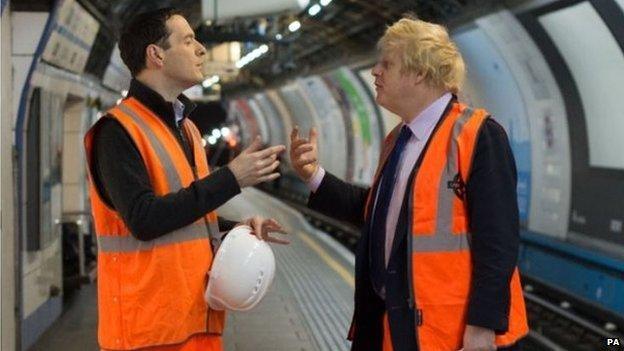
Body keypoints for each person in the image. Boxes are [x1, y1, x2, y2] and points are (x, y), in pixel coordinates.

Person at [290, 17, 529, 351]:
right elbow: (379, 216)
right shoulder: (399, 139)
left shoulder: (477, 135)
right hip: (391, 326)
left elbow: (498, 239)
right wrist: (313, 175)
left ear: (420, 72)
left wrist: (483, 327)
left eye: (387, 63)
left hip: (449, 335)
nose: (375, 71)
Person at [84, 8, 288, 351]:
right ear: (156, 54)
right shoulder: (117, 131)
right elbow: (144, 219)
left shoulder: (187, 128)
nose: (201, 50)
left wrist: (234, 228)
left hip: (194, 324)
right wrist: (231, 178)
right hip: (147, 333)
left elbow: (184, 215)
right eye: (188, 40)